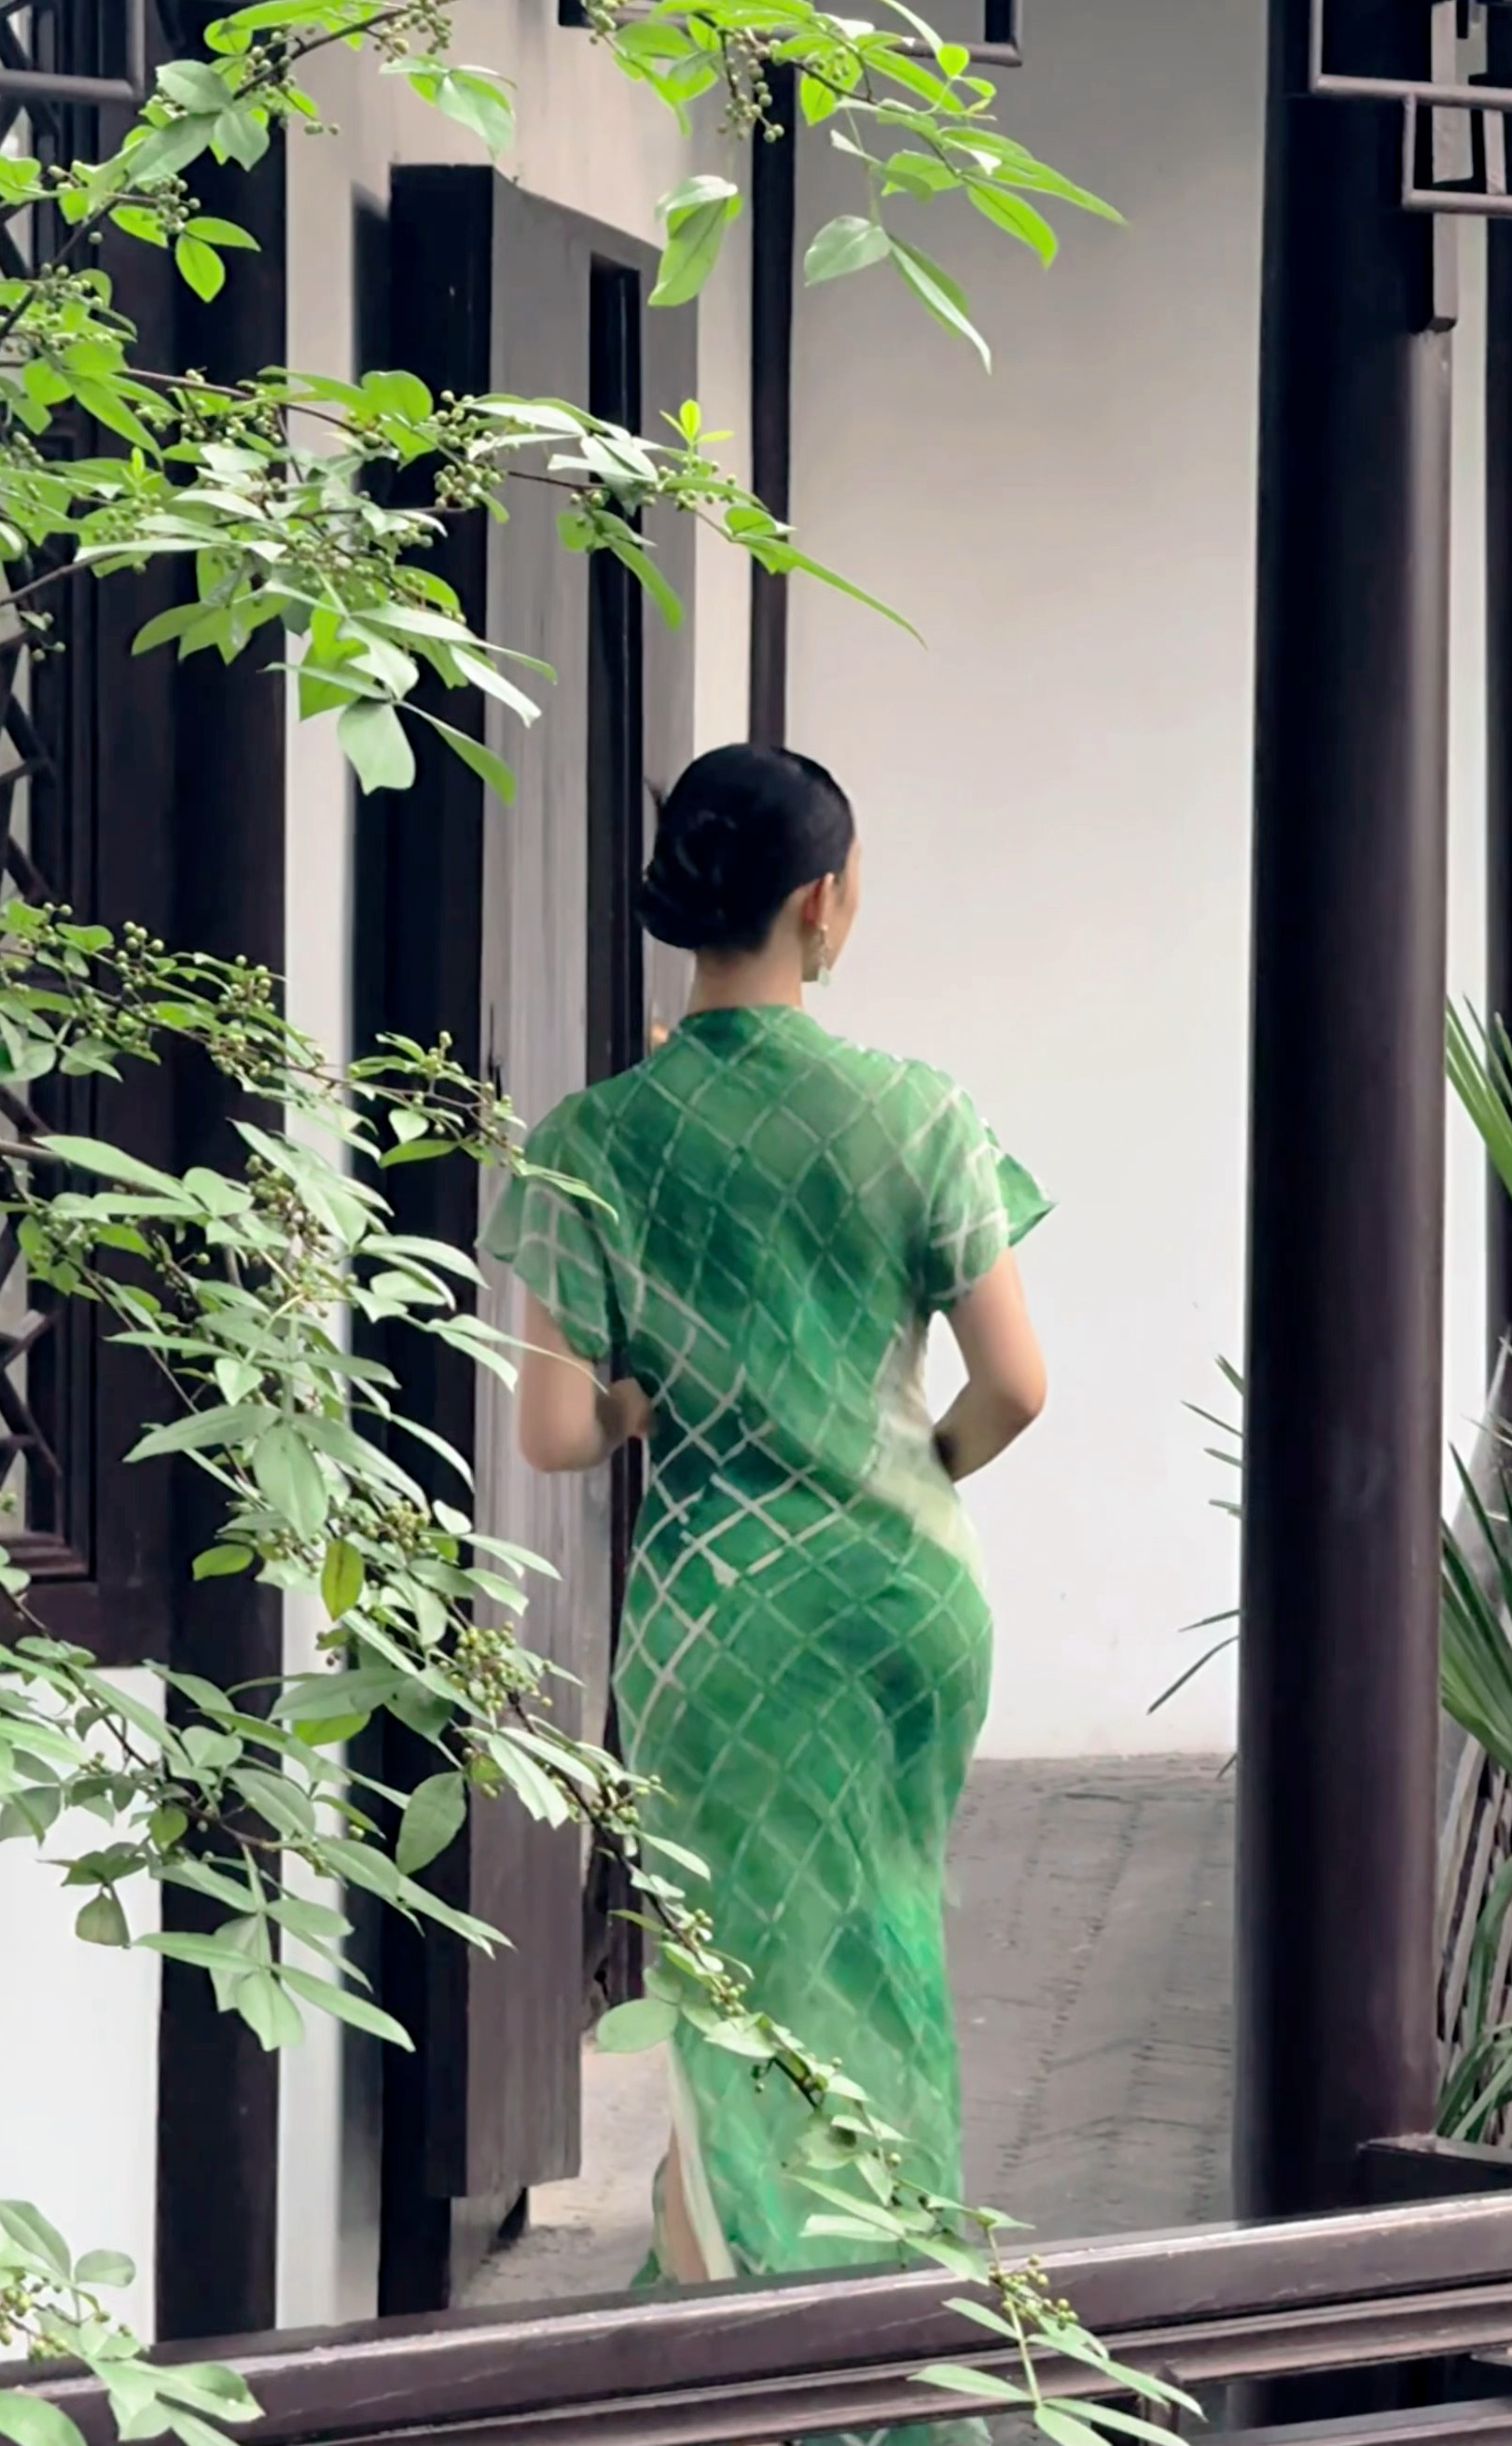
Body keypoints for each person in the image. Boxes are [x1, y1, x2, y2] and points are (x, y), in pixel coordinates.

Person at [483, 743, 1049, 2294]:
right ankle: (885, 2314)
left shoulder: (595, 1139)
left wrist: (637, 1406)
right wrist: (906, 1470)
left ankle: (732, 2331)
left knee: (728, 1980)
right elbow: (1016, 1386)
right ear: (824, 902)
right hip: (903, 1601)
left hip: (715, 1620)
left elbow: (552, 1432)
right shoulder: (919, 1113)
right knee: (878, 1943)